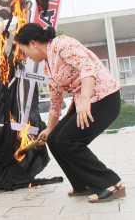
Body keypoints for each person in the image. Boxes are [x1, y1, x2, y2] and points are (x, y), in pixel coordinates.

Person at [14, 23, 125, 203]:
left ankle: (111, 184)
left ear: (33, 43)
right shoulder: (48, 67)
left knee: (68, 141)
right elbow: (55, 101)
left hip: (102, 99)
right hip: (86, 102)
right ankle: (83, 183)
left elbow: (87, 68)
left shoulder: (61, 44)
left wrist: (85, 100)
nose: (25, 56)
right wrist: (49, 128)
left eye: (24, 50)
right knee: (54, 139)